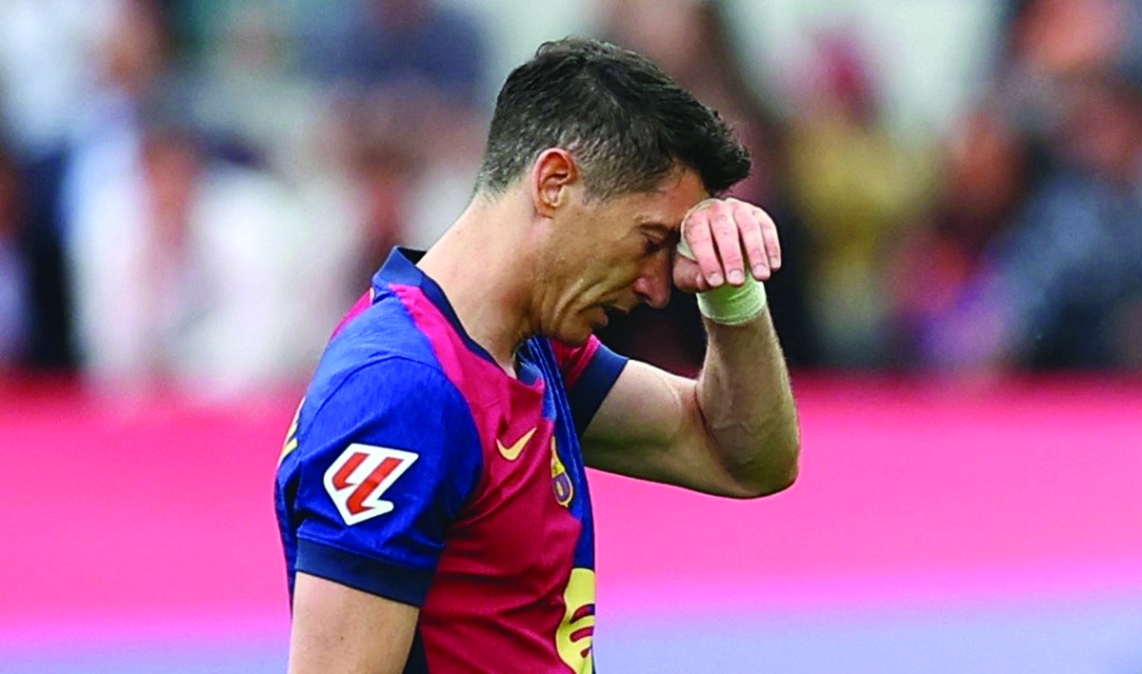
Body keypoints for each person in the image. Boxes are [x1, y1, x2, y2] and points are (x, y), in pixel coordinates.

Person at [275, 38, 800, 673]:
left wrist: (731, 292)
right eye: (650, 240)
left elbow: (744, 459)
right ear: (554, 184)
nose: (659, 289)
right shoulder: (402, 390)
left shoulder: (531, 350)